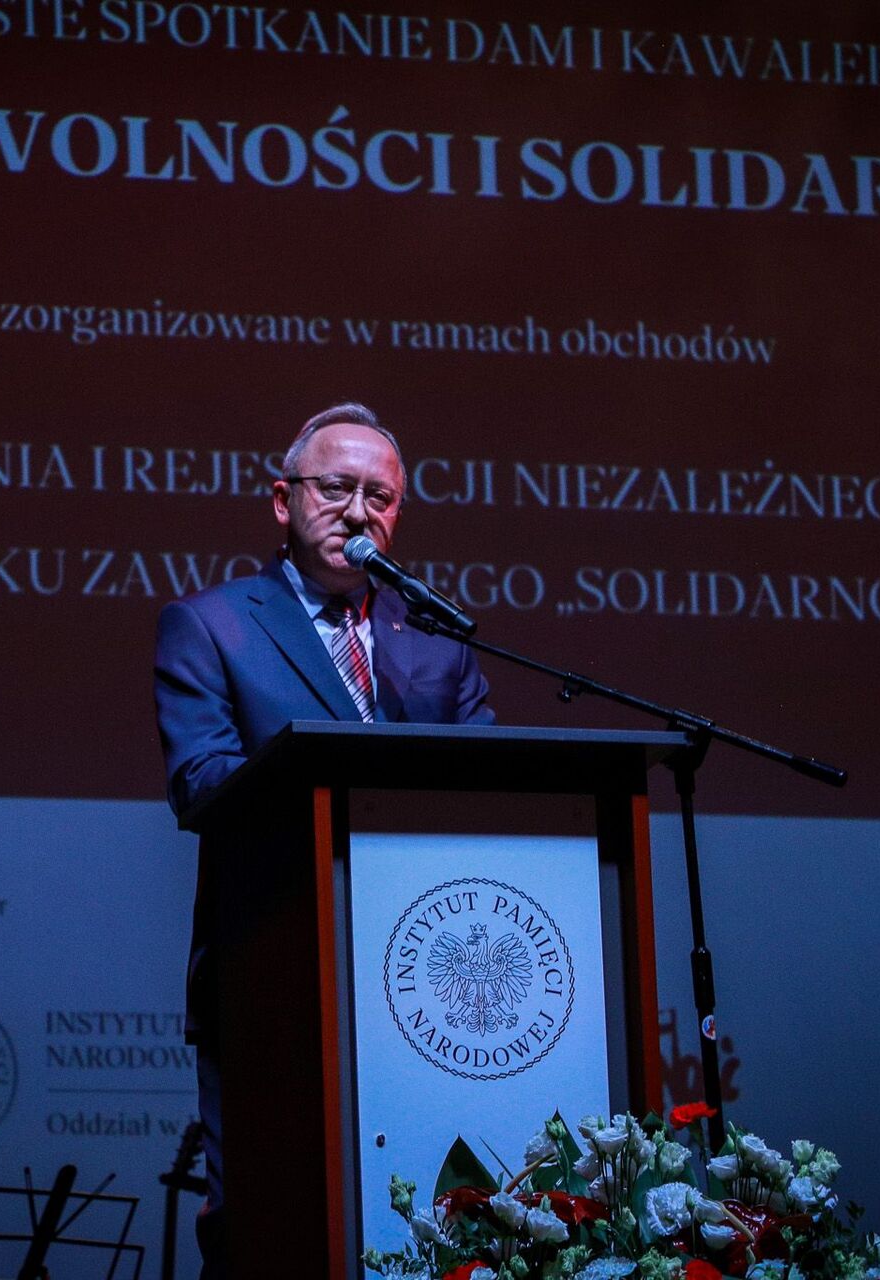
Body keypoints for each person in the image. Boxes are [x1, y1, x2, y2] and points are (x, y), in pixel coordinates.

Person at [153, 402, 495, 1276]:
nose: (358, 510)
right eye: (337, 487)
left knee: (424, 1213)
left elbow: (492, 784)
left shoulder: (435, 640)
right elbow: (201, 783)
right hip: (275, 964)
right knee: (268, 1223)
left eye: (380, 497)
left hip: (426, 980)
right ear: (284, 500)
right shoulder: (212, 623)